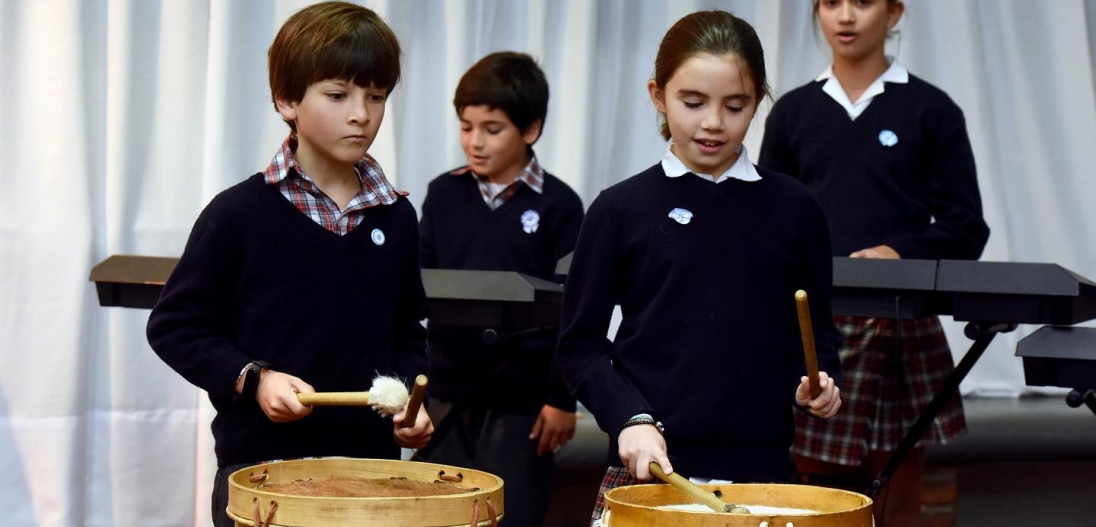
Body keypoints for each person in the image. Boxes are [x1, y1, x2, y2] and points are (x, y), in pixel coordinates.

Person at [145, 3, 433, 526]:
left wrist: (410, 404)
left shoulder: (397, 216)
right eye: (338, 95)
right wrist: (254, 380)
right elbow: (173, 327)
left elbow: (406, 330)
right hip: (262, 476)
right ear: (286, 100)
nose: (361, 114)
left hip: (369, 476)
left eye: (376, 96)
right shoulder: (238, 214)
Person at [556, 10, 843, 524]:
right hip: (651, 466)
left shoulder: (795, 209)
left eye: (736, 106)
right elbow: (579, 346)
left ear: (758, 101)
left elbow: (817, 331)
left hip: (762, 469)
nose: (713, 122)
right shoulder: (620, 210)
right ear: (657, 95)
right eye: (693, 103)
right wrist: (629, 419)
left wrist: (821, 382)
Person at [758, 1, 990, 525]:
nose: (845, 16)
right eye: (830, 3)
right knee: (811, 490)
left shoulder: (931, 109)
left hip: (899, 323)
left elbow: (966, 226)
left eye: (862, 2)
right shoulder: (793, 112)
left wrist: (899, 254)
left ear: (894, 12)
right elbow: (766, 226)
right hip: (812, 327)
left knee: (897, 488)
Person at [417, 51, 585, 527]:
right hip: (445, 392)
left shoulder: (560, 206)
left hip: (524, 404)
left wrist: (562, 397)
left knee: (510, 515)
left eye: (492, 129)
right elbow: (417, 290)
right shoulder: (443, 194)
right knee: (436, 514)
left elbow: (571, 309)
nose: (474, 141)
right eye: (466, 126)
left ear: (530, 130)